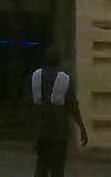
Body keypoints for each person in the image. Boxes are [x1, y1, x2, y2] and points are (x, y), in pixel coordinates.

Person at [29, 46, 88, 177]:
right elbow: (73, 106)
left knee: (41, 165)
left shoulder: (35, 77)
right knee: (58, 167)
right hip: (59, 132)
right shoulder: (64, 78)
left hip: (41, 130)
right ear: (59, 60)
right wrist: (82, 128)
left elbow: (29, 105)